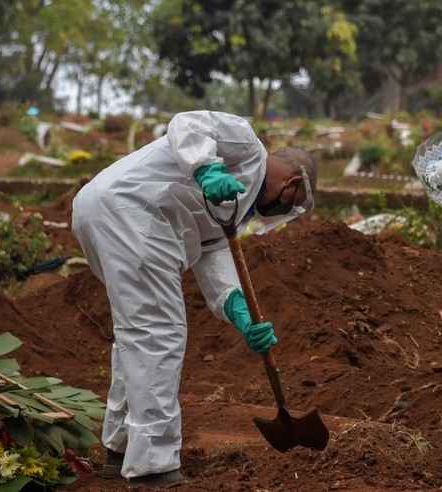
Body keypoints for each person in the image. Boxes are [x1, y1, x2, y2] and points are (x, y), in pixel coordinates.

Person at [71, 111, 316, 487]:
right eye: (292, 204)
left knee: (138, 335)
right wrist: (206, 168)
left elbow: (213, 256)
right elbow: (188, 124)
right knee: (158, 335)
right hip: (132, 212)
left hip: (106, 211)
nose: (283, 212)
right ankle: (154, 466)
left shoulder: (236, 206)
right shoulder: (248, 147)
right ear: (293, 182)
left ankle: (119, 446)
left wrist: (240, 312)